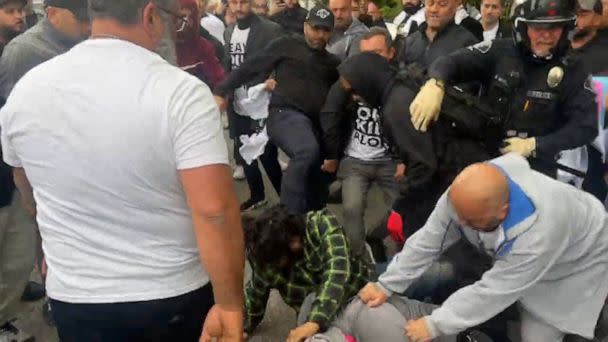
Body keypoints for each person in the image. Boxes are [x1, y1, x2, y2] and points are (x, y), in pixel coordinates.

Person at [0, 0, 245, 340]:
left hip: (75, 295)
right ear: (149, 15)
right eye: (171, 21)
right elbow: (214, 211)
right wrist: (230, 303)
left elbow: (26, 187)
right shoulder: (182, 93)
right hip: (171, 293)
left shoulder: (27, 92)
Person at [354, 153, 608, 341]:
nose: (461, 223)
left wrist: (435, 325)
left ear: (503, 211)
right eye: (460, 216)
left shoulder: (540, 233)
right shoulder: (464, 195)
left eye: (472, 221)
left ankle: (596, 321)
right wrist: (386, 284)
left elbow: (493, 291)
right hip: (527, 249)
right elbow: (428, 240)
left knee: (538, 334)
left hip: (580, 255)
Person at [411, 0, 598, 178]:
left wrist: (535, 145)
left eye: (555, 28)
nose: (547, 36)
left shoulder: (574, 68)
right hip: (485, 156)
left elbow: (586, 126)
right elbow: (451, 61)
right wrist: (435, 83)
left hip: (536, 167)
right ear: (523, 28)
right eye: (538, 28)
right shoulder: (501, 51)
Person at [0, 0, 90, 326]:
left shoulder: (85, 45)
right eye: (81, 17)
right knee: (39, 240)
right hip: (39, 170)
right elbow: (15, 124)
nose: (89, 23)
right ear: (52, 13)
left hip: (78, 164)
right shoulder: (25, 52)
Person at [215, 5, 341, 215]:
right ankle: (286, 218)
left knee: (316, 197)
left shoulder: (334, 64)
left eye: (325, 30)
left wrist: (333, 152)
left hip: (315, 127)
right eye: (315, 28)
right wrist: (221, 90)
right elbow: (250, 66)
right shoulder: (287, 44)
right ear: (305, 26)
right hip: (284, 115)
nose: (319, 35)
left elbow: (342, 105)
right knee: (305, 150)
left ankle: (306, 233)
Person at [320, 28, 403, 260]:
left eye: (377, 53)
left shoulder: (399, 84)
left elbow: (408, 127)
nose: (370, 61)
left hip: (389, 160)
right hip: (356, 159)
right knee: (351, 208)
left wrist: (403, 159)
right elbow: (330, 112)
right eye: (365, 54)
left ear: (391, 53)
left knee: (404, 209)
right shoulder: (351, 78)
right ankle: (360, 263)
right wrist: (332, 154)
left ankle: (391, 251)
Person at [243, 205, 371, 341]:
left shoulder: (321, 224)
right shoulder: (266, 255)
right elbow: (256, 293)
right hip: (309, 310)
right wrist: (244, 328)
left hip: (354, 297)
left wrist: (314, 322)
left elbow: (337, 272)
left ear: (294, 241)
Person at [222, 0, 283, 210]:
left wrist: (273, 79)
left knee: (267, 154)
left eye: (244, 2)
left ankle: (286, 199)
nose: (239, 7)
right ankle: (257, 195)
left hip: (261, 102)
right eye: (234, 2)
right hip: (237, 103)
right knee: (244, 152)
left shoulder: (270, 29)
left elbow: (280, 59)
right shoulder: (228, 32)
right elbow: (228, 65)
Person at [398, 0, 479, 67]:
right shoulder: (410, 42)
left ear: (456, 6)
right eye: (430, 3)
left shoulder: (467, 44)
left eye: (442, 4)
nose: (434, 9)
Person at [177, 0, 226, 89]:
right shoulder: (159, 47)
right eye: (175, 19)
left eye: (183, 18)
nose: (178, 23)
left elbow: (219, 82)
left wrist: (219, 95)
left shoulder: (204, 47)